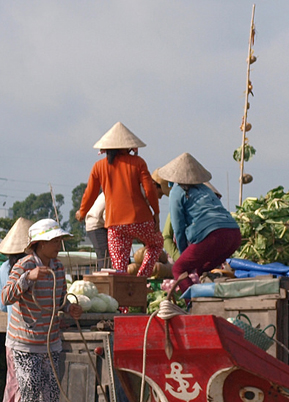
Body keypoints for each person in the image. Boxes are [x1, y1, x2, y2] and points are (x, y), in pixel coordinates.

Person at [0, 219, 82, 402]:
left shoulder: (58, 267)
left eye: (58, 241)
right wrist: (29, 278)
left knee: (51, 394)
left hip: (49, 341)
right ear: (40, 244)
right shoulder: (24, 265)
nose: (58, 245)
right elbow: (6, 296)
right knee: (29, 392)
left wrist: (70, 309)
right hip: (25, 343)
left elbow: (59, 301)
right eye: (54, 241)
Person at [75, 122, 164, 277]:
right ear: (128, 147)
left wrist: (82, 213)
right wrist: (156, 213)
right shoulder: (138, 163)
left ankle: (122, 299)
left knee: (119, 268)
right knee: (156, 244)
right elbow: (150, 190)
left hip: (115, 225)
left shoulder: (98, 167)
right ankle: (141, 278)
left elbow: (90, 193)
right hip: (141, 220)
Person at [157, 153, 242, 295]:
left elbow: (178, 229)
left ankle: (193, 302)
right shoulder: (206, 189)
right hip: (234, 235)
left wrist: (183, 254)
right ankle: (209, 298)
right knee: (202, 269)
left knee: (178, 269)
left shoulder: (177, 191)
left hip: (212, 235)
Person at [0, 217, 33, 402]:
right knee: (22, 392)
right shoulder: (28, 270)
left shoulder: (3, 269)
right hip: (23, 339)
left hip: (11, 337)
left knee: (12, 389)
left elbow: (2, 306)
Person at [83, 194, 109, 269]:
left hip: (107, 223)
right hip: (96, 224)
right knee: (106, 260)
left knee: (122, 259)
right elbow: (107, 215)